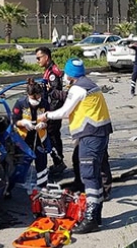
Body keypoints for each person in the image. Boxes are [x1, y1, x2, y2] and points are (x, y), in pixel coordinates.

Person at [38, 58, 113, 234]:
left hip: (91, 135)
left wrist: (46, 116)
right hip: (100, 133)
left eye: (66, 73)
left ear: (70, 74)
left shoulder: (78, 88)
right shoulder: (89, 84)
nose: (64, 76)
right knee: (94, 173)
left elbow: (65, 112)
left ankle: (91, 219)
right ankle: (96, 216)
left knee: (89, 176)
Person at [12, 78, 51, 194]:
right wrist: (23, 123)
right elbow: (14, 121)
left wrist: (44, 124)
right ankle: (14, 187)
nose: (36, 100)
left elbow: (48, 118)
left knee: (42, 163)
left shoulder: (44, 103)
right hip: (24, 138)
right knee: (22, 163)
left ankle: (43, 186)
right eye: (34, 98)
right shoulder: (20, 103)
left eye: (38, 97)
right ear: (28, 95)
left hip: (40, 137)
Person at [35, 47, 67, 175]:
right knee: (52, 136)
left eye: (39, 58)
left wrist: (49, 114)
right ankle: (58, 161)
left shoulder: (53, 73)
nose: (37, 61)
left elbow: (55, 95)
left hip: (54, 110)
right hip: (50, 109)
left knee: (51, 135)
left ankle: (59, 162)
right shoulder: (48, 71)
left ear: (46, 57)